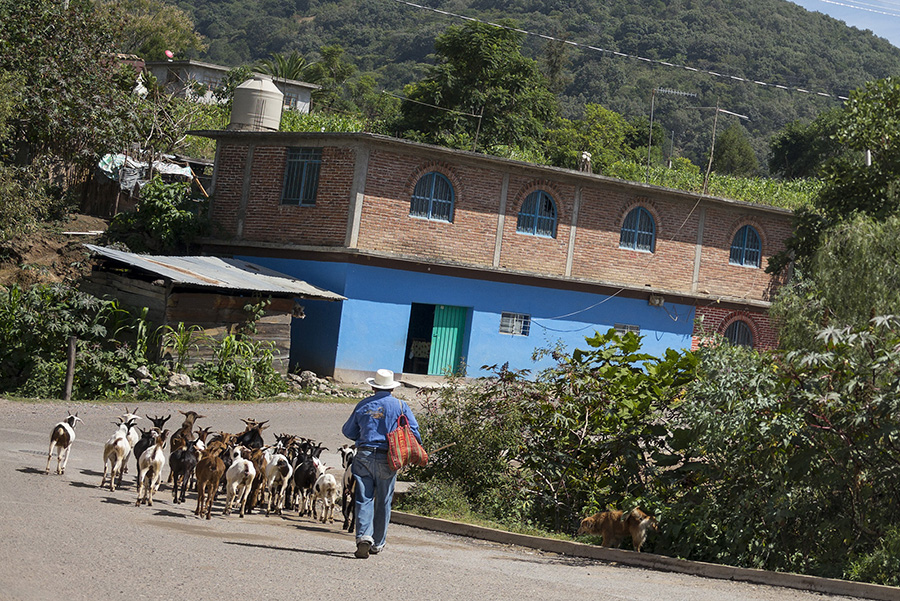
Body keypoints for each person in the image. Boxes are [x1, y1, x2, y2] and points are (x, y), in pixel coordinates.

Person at [342, 368, 421, 559]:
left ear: (372, 386)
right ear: (392, 388)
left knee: (364, 498)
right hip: (389, 458)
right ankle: (377, 543)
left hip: (364, 455)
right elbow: (415, 433)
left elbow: (348, 431)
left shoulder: (363, 405)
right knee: (384, 500)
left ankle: (363, 537)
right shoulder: (401, 406)